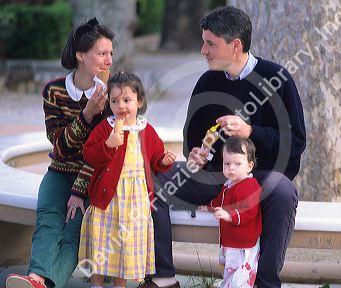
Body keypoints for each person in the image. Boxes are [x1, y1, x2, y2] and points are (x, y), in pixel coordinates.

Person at [144, 6, 306, 288]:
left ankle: (264, 283)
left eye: (210, 43)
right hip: (213, 177)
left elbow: (296, 142)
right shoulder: (208, 81)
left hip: (259, 178)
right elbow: (192, 136)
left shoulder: (276, 79)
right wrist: (195, 153)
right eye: (204, 42)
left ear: (235, 46)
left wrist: (250, 132)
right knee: (151, 181)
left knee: (283, 190)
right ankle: (164, 277)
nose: (203, 50)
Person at [6, 18, 114, 288]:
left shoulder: (112, 95)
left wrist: (79, 190)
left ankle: (46, 283)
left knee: (72, 230)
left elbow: (103, 152)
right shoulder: (53, 91)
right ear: (80, 55)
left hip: (94, 176)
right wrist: (87, 115)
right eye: (102, 53)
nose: (109, 61)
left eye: (111, 54)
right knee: (48, 219)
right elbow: (60, 146)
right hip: (60, 170)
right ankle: (35, 278)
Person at [78, 71, 177, 288]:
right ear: (109, 104)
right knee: (102, 241)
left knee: (123, 243)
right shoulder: (105, 127)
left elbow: (155, 159)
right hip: (108, 197)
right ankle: (96, 283)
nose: (121, 106)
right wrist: (108, 145)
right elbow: (89, 155)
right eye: (115, 101)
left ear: (139, 101)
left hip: (136, 199)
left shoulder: (146, 129)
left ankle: (119, 285)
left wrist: (164, 159)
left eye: (127, 100)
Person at [207, 136, 262, 288]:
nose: (231, 168)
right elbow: (220, 201)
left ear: (249, 166)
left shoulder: (250, 186)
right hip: (232, 242)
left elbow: (249, 211)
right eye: (227, 163)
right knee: (231, 272)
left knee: (240, 277)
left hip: (243, 245)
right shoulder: (229, 185)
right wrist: (208, 207)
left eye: (237, 164)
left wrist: (229, 216)